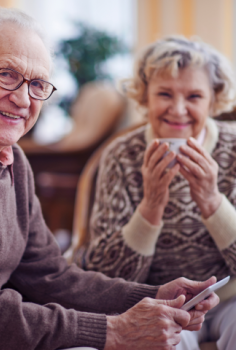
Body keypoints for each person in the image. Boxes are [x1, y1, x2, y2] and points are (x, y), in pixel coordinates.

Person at [0, 10, 218, 350]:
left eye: (37, 84)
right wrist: (113, 331)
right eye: (7, 74)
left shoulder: (12, 158)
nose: (22, 98)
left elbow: (51, 277)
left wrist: (154, 296)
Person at [78, 36, 236, 350]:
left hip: (231, 299)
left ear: (213, 99)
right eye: (164, 94)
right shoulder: (121, 155)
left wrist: (211, 201)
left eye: (194, 96)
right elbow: (105, 275)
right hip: (153, 302)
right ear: (145, 97)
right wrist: (150, 207)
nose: (178, 110)